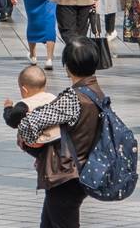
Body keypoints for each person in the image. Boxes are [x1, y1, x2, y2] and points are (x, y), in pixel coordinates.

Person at [15, 40, 111, 228]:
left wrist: (25, 135)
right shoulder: (97, 92)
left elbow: (29, 124)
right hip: (82, 170)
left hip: (66, 175)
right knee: (49, 223)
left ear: (67, 67)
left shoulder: (72, 98)